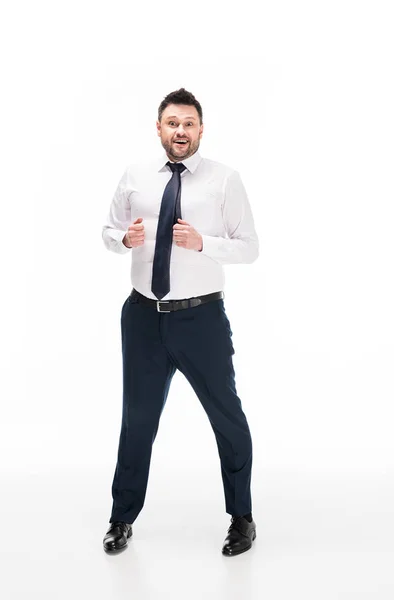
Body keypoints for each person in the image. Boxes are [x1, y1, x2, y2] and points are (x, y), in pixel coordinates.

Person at [101, 88, 259, 556]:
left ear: (201, 129)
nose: (181, 132)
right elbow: (107, 231)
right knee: (138, 422)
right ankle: (121, 518)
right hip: (143, 317)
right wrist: (123, 240)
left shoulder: (224, 180)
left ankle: (242, 518)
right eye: (172, 123)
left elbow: (249, 246)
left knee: (226, 418)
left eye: (189, 124)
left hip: (201, 319)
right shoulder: (134, 176)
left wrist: (203, 243)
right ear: (159, 128)